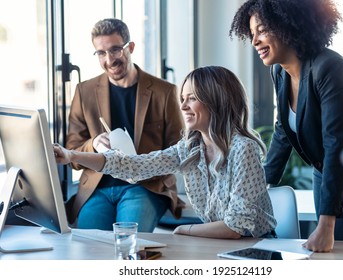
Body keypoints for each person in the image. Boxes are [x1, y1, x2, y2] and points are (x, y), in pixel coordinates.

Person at [230, 0, 343, 252]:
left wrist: (326, 226)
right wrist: (257, 188)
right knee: (320, 255)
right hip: (325, 171)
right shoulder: (280, 72)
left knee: (340, 255)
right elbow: (283, 132)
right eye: (251, 34)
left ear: (287, 24)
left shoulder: (331, 66)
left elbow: (337, 145)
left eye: (261, 30)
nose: (255, 41)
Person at [55, 65, 277, 239]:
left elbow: (234, 228)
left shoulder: (243, 149)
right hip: (220, 243)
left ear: (216, 101)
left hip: (256, 248)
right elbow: (133, 166)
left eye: (192, 98)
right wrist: (71, 155)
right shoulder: (191, 147)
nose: (182, 107)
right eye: (183, 99)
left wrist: (184, 231)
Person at [65, 18, 184, 232]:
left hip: (145, 186)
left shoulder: (164, 92)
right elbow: (72, 151)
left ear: (130, 47)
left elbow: (179, 150)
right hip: (97, 187)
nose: (109, 59)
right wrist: (93, 144)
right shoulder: (84, 92)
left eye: (115, 50)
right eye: (101, 53)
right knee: (88, 244)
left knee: (129, 239)